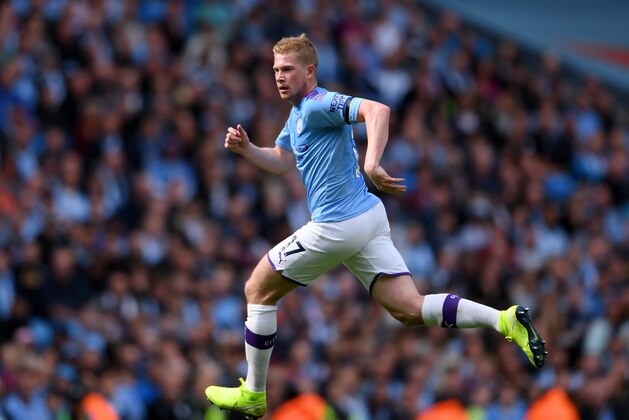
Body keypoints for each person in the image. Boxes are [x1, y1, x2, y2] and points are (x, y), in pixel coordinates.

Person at [204, 34, 547, 418]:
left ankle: (253, 392)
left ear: (310, 72)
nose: (279, 77)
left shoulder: (319, 103)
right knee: (409, 309)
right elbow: (283, 160)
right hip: (367, 218)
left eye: (287, 70)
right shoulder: (298, 113)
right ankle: (503, 319)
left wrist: (371, 163)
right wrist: (247, 149)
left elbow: (378, 110)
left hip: (338, 224)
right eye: (275, 71)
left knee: (257, 289)